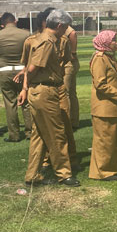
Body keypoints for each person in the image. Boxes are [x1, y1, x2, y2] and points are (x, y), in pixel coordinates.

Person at [20, 9, 80, 187]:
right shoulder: (47, 42)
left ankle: (32, 174)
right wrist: (26, 86)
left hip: (41, 91)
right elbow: (31, 69)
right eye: (66, 27)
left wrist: (26, 88)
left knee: (39, 136)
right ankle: (64, 174)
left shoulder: (41, 39)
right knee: (57, 134)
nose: (67, 31)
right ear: (60, 26)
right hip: (45, 91)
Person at [89, 30, 117, 181]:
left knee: (111, 139)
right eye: (114, 40)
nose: (116, 43)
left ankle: (110, 168)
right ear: (106, 42)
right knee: (104, 140)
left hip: (111, 105)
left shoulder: (109, 57)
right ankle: (102, 172)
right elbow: (100, 84)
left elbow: (115, 79)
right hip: (104, 106)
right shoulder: (100, 58)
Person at [0, 12, 32, 142]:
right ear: (15, 21)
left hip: (5, 70)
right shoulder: (26, 34)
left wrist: (0, 59)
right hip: (22, 70)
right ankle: (30, 132)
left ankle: (14, 134)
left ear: (3, 23)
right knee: (26, 103)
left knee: (10, 103)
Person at [63, 24, 80, 129]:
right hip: (71, 63)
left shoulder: (66, 28)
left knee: (65, 93)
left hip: (68, 63)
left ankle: (67, 122)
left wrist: (73, 52)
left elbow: (72, 33)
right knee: (71, 93)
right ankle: (74, 121)